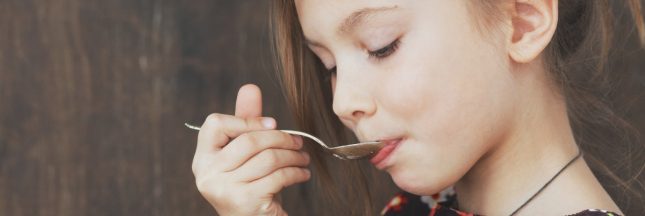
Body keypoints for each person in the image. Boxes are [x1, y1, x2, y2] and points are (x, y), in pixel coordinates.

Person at [190, 0, 645, 215]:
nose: (342, 102)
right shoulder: (417, 208)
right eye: (328, 65)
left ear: (522, 21)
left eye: (381, 47)